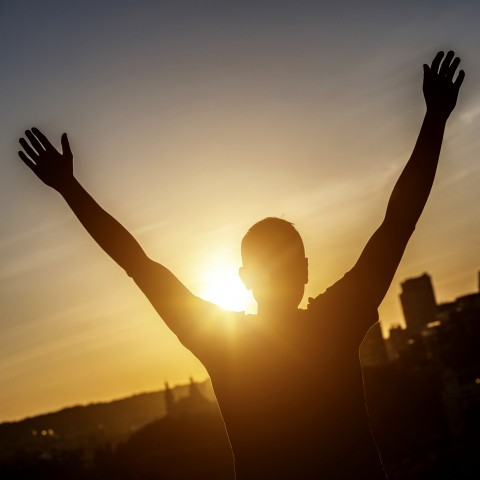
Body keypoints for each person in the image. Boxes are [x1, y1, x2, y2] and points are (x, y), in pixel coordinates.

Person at [18, 51, 464, 479]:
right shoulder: (334, 320)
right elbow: (397, 224)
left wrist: (70, 189)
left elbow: (137, 262)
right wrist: (434, 120)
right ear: (304, 270)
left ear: (246, 279)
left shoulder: (225, 346)